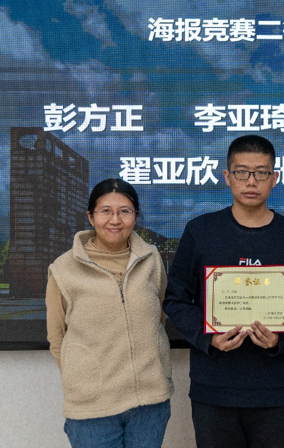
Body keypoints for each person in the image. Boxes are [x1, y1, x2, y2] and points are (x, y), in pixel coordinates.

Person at [163, 134, 284, 448]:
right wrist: (208, 338)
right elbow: (176, 299)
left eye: (261, 172)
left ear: (274, 178)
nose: (251, 181)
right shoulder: (200, 232)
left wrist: (281, 339)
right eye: (242, 172)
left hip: (276, 388)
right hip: (214, 388)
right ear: (227, 176)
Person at [46, 178, 174, 448]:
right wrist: (84, 380)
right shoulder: (63, 269)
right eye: (106, 211)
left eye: (124, 211)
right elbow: (57, 337)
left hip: (149, 403)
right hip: (93, 409)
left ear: (136, 217)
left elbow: (158, 320)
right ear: (90, 217)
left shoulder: (152, 259)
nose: (115, 220)